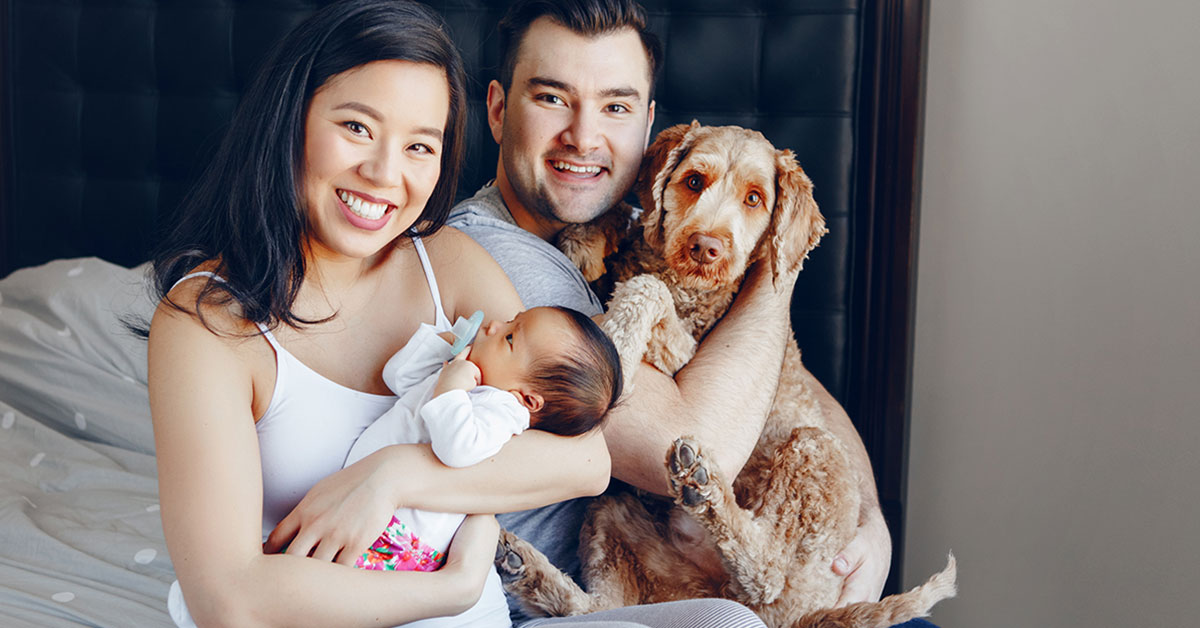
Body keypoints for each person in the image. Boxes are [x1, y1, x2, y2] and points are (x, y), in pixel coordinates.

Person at [445, 0, 908, 625]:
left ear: (648, 125)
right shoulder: (492, 257)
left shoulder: (646, 229)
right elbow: (692, 452)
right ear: (498, 110)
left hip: (714, 582)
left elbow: (792, 387)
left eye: (615, 106)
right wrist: (775, 256)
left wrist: (871, 520)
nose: (583, 137)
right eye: (552, 98)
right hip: (595, 601)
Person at [147, 1, 604, 626]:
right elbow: (228, 600)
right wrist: (454, 587)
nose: (385, 174)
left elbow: (586, 460)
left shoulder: (450, 264)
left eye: (420, 145)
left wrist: (391, 475)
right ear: (292, 119)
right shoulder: (207, 324)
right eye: (357, 127)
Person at [342, 306, 621, 626]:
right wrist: (445, 349)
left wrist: (452, 386)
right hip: (373, 516)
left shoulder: (502, 410)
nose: (493, 326)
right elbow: (397, 376)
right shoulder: (469, 382)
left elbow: (457, 449)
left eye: (510, 336)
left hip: (398, 537)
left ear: (528, 400)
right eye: (511, 320)